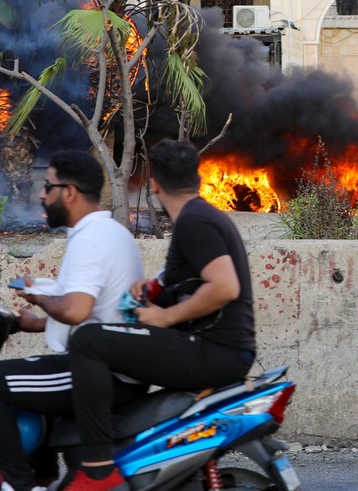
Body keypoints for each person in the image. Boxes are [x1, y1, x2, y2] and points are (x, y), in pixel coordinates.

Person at [59, 139, 256, 491]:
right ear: (197, 178)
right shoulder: (205, 215)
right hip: (220, 349)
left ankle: (97, 470)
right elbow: (196, 282)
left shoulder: (194, 221)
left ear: (154, 184)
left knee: (88, 340)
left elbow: (225, 286)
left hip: (213, 350)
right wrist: (155, 291)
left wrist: (165, 318)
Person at [0, 150, 145, 491]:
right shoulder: (110, 232)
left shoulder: (90, 238)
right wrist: (38, 322)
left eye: (48, 186)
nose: (42, 194)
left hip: (103, 377)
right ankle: (43, 477)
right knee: (24, 379)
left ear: (70, 192)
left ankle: (18, 484)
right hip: (109, 366)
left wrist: (39, 298)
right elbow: (98, 309)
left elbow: (76, 310)